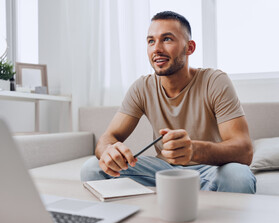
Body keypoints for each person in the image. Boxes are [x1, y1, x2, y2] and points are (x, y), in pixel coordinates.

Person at [80, 11, 256, 193]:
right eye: (151, 41)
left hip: (209, 170)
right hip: (162, 171)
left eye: (167, 39)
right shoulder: (142, 87)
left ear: (189, 47)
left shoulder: (215, 81)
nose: (156, 49)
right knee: (92, 168)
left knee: (238, 176)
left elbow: (244, 150)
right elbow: (108, 137)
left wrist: (194, 150)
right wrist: (109, 151)